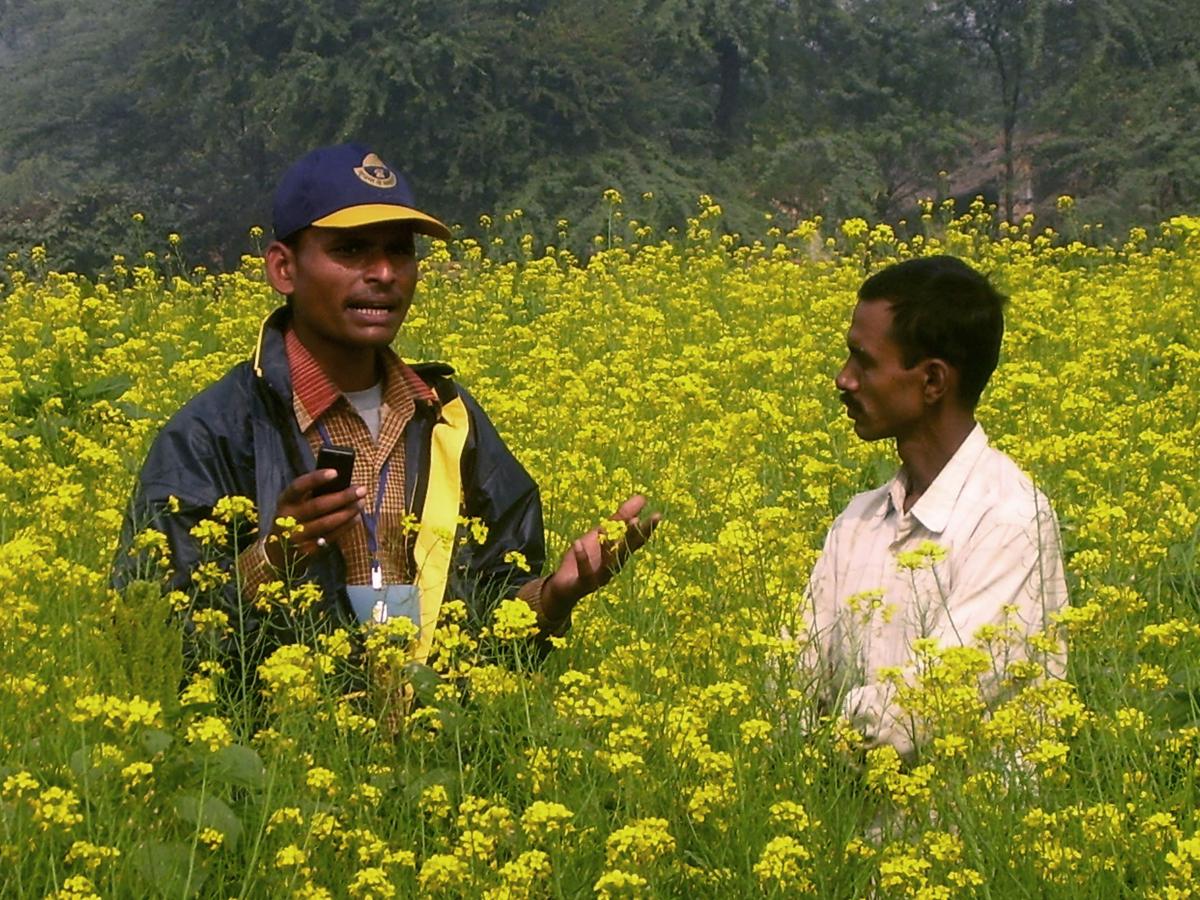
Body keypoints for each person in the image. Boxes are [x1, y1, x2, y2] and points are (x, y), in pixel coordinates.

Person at [118, 142, 659, 675]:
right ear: (283, 268)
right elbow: (151, 642)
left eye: (400, 251)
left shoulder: (448, 418)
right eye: (352, 250)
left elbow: (493, 616)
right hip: (286, 732)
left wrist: (553, 597)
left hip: (438, 734)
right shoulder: (215, 433)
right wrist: (272, 558)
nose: (383, 273)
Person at [799, 255, 1067, 758]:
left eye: (864, 362)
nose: (843, 379)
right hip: (837, 803)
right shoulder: (857, 520)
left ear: (933, 382)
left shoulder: (1009, 520)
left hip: (961, 811)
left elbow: (922, 710)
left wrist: (814, 740)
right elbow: (793, 681)